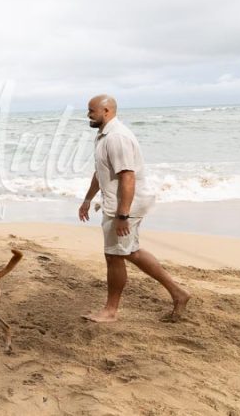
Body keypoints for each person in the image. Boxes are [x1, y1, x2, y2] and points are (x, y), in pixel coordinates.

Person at [79, 95, 190, 322]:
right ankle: (179, 293)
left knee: (114, 256)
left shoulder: (116, 138)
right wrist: (87, 199)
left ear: (107, 111)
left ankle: (110, 311)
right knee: (130, 252)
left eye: (91, 111)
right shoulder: (104, 136)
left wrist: (123, 215)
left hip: (123, 205)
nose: (88, 115)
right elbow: (100, 173)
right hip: (118, 203)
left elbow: (128, 177)